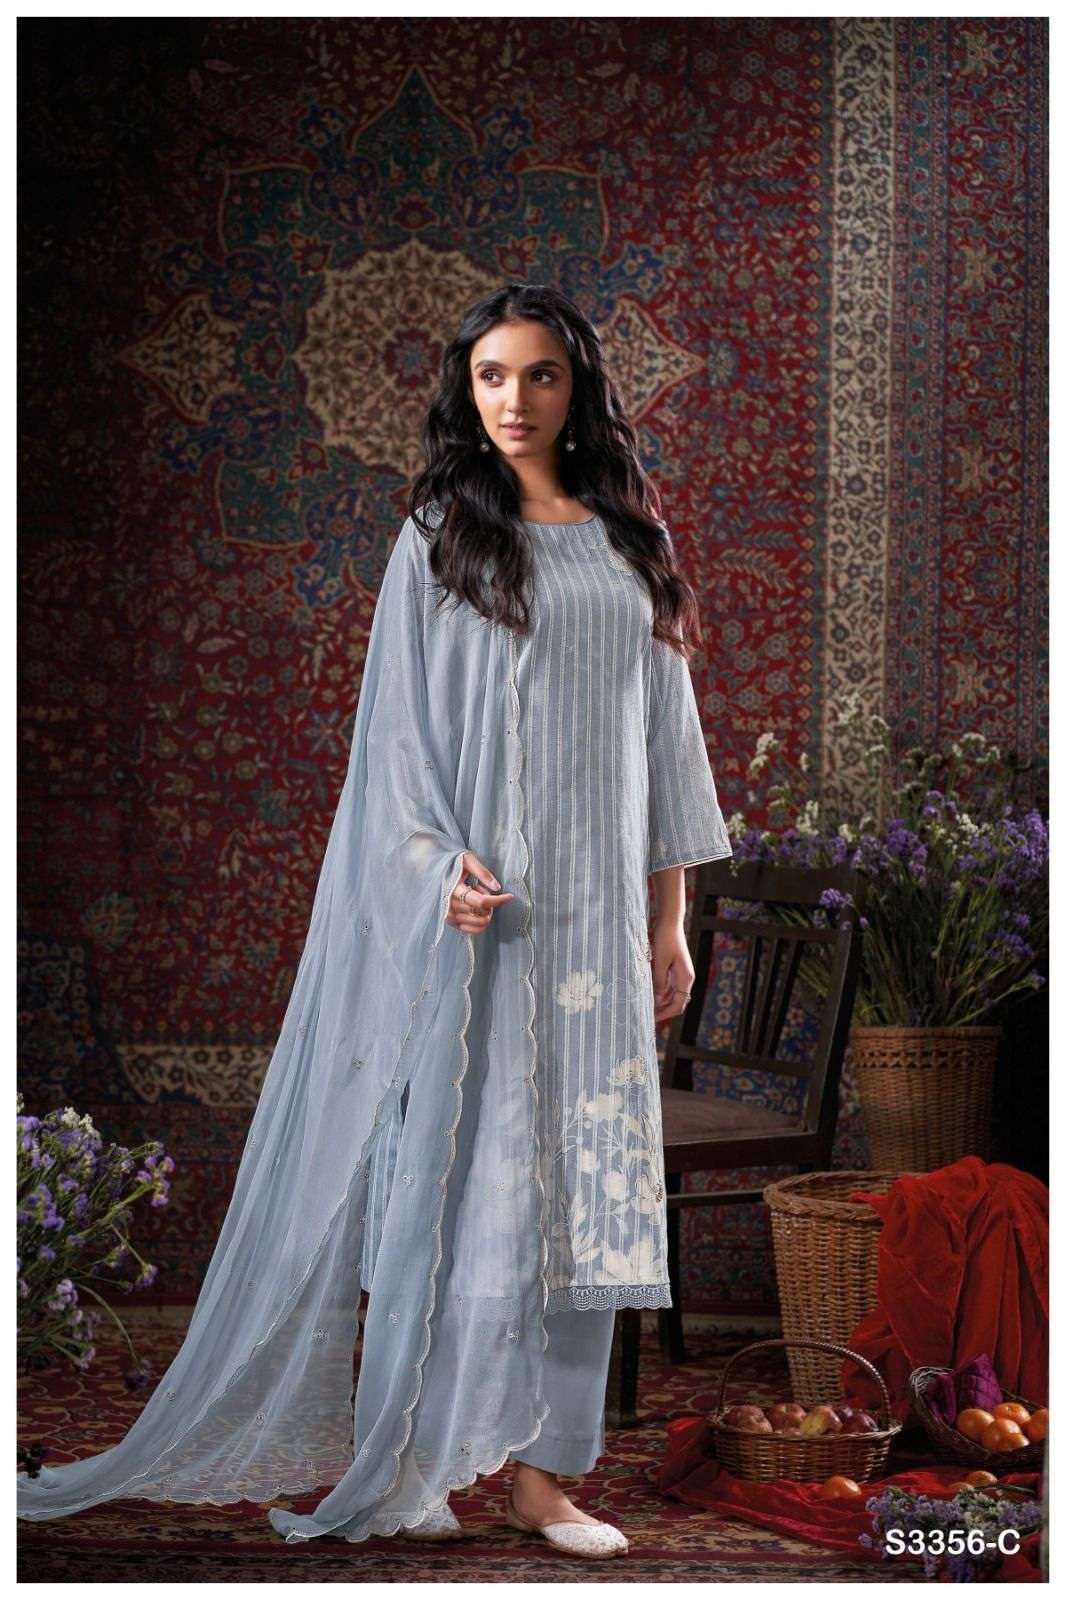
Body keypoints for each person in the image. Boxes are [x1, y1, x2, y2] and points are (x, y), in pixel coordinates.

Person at [17, 282, 732, 1560]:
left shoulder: (632, 541)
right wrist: (428, 871)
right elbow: (391, 748)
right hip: (486, 925)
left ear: (579, 389)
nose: (515, 400)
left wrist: (667, 921)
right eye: (492, 376)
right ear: (467, 390)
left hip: (596, 936)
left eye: (541, 375)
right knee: (470, 1195)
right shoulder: (440, 538)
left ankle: (544, 1481)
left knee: (589, 1200)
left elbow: (667, 743)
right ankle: (418, 1453)